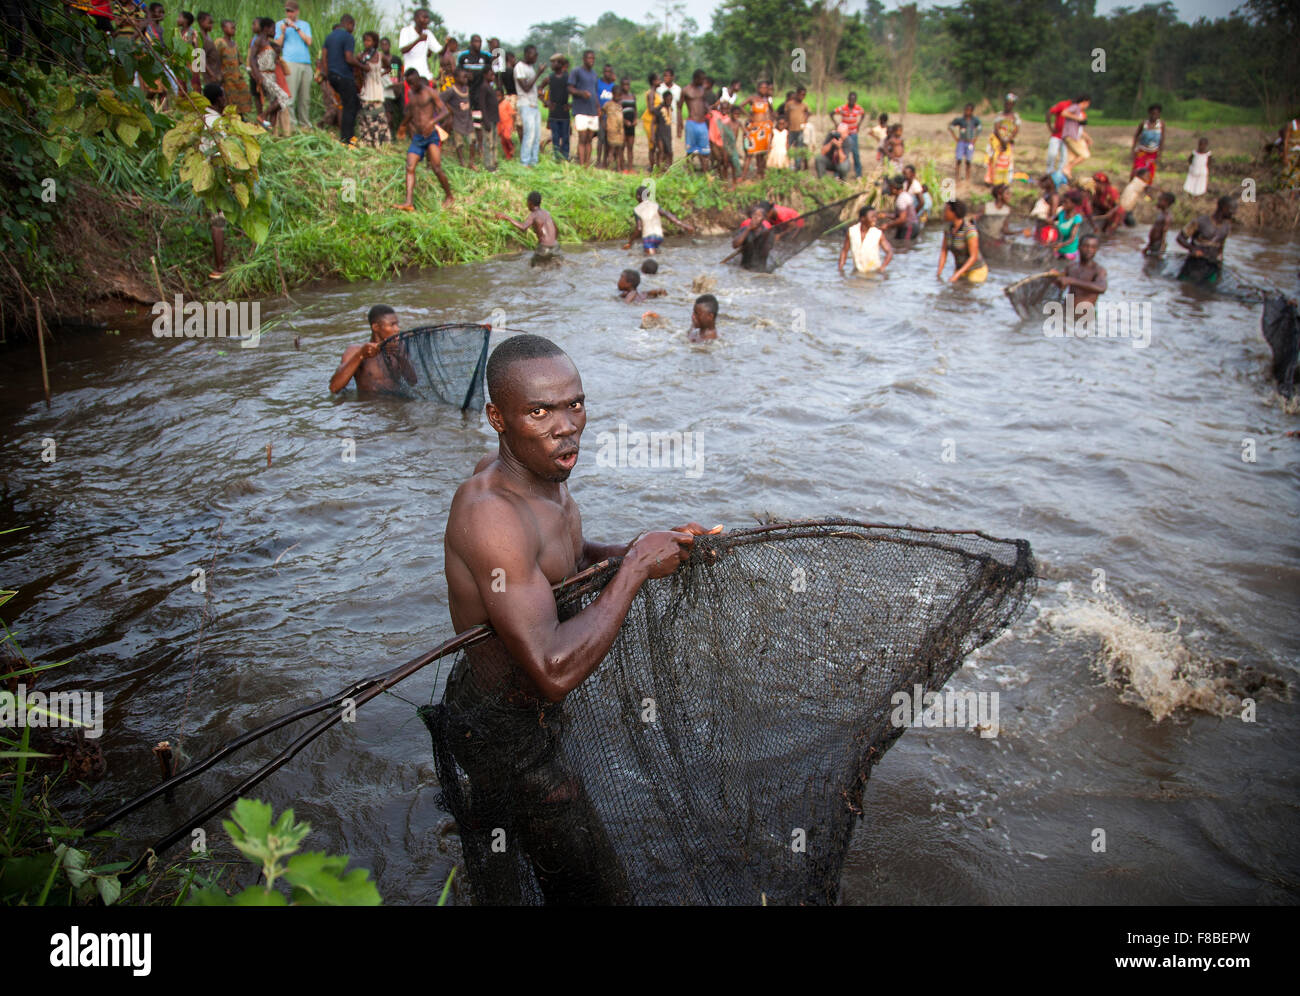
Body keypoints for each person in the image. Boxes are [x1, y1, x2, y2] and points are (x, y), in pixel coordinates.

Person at [441, 334, 707, 905]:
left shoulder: (541, 471)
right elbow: (553, 670)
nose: (566, 426)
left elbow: (566, 559)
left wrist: (635, 549)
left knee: (504, 845)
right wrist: (635, 569)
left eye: (574, 405)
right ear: (497, 418)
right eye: (539, 411)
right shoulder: (492, 516)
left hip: (526, 709)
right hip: (502, 726)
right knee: (594, 889)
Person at [393, 69, 453, 209]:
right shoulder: (410, 94)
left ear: (419, 79)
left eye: (413, 83)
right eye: (409, 84)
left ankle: (449, 196)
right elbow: (411, 112)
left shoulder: (430, 92)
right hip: (418, 137)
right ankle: (409, 202)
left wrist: (432, 122)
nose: (412, 86)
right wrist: (403, 126)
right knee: (410, 167)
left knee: (436, 168)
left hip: (431, 136)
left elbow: (445, 111)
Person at [329, 305, 416, 394]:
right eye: (392, 325)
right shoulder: (355, 350)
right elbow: (334, 387)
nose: (397, 329)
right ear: (376, 327)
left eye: (397, 324)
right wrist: (360, 355)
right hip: (369, 405)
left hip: (395, 403)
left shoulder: (399, 347)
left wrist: (400, 357)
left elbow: (413, 382)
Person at [1176, 195, 1234, 283]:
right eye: (1232, 209)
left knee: (1209, 294)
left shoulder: (1227, 227)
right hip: (1194, 265)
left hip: (1212, 266)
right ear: (1223, 207)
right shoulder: (1200, 221)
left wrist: (1220, 267)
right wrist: (1193, 249)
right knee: (1187, 289)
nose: (1234, 212)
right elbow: (1180, 238)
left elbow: (1221, 247)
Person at [323, 15, 362, 147]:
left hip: (333, 75)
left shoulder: (330, 36)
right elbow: (349, 58)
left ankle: (347, 136)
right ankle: (347, 138)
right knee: (350, 106)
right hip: (345, 76)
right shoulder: (348, 37)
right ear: (349, 23)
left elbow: (324, 57)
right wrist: (362, 66)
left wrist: (328, 74)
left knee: (347, 105)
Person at [1050, 233, 1106, 322]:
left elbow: (1102, 288)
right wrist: (1054, 278)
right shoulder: (1071, 267)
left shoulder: (1098, 270)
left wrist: (1071, 281)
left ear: (1097, 250)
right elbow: (1062, 286)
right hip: (1066, 313)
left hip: (1085, 317)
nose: (1089, 250)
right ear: (1079, 247)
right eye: (1086, 246)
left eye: (1093, 247)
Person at [275, 1, 312, 130]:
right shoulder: (279, 24)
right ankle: (290, 125)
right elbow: (277, 44)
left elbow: (309, 41)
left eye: (291, 11)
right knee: (290, 96)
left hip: (305, 63)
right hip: (290, 61)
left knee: (305, 98)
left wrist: (295, 28)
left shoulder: (304, 25)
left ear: (297, 11)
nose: (289, 14)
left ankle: (305, 125)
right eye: (287, 11)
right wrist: (283, 32)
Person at [626, 184, 692, 255]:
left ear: (638, 196)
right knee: (654, 255)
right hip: (659, 236)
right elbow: (669, 216)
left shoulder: (637, 209)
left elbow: (639, 228)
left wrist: (630, 242)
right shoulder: (655, 206)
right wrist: (685, 226)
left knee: (650, 258)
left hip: (648, 237)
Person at [496, 191, 560, 265]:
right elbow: (556, 229)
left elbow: (523, 227)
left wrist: (506, 217)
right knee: (554, 264)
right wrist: (552, 241)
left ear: (530, 203)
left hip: (544, 247)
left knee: (535, 266)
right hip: (555, 246)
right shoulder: (546, 213)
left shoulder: (534, 215)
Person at [253, 18, 293, 135]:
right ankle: (262, 116)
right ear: (266, 28)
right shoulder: (259, 40)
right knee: (283, 97)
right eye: (273, 29)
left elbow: (278, 48)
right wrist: (257, 74)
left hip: (272, 74)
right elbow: (252, 59)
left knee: (275, 104)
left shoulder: (268, 42)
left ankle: (272, 133)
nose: (275, 32)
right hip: (264, 74)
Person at [936, 199, 987, 284]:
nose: (944, 213)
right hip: (960, 269)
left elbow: (973, 257)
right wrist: (939, 273)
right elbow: (944, 251)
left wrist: (956, 275)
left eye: (946, 210)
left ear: (954, 213)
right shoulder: (948, 229)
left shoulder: (970, 230)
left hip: (976, 270)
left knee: (968, 285)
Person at [356, 32, 391, 148]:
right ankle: (369, 141)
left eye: (369, 40)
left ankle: (382, 142)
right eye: (365, 40)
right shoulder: (361, 56)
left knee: (380, 115)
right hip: (367, 88)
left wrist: (384, 75)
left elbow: (392, 68)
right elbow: (357, 72)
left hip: (378, 88)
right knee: (367, 115)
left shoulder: (383, 56)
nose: (366, 43)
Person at [735, 80, 775, 178]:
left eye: (766, 88)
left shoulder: (767, 100)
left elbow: (772, 111)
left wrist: (770, 123)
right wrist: (749, 115)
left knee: (762, 154)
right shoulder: (752, 98)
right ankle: (743, 176)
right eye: (762, 88)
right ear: (758, 88)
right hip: (755, 128)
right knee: (750, 153)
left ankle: (761, 173)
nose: (764, 90)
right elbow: (740, 106)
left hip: (764, 128)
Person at [839, 205, 894, 275]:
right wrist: (840, 270)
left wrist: (882, 268)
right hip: (857, 271)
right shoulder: (852, 232)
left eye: (875, 217)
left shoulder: (877, 234)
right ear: (863, 219)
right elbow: (844, 251)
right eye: (872, 217)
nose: (875, 219)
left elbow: (889, 252)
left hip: (873, 272)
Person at [213, 18, 251, 117]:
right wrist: (218, 74)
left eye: (234, 28)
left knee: (243, 94)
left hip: (236, 76)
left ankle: (240, 116)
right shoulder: (220, 42)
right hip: (226, 76)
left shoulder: (234, 44)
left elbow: (239, 61)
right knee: (229, 98)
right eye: (231, 27)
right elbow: (215, 59)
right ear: (224, 28)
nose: (234, 29)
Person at [569, 49, 600, 167]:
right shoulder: (576, 71)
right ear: (584, 59)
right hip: (581, 110)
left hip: (592, 110)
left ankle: (587, 164)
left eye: (593, 58)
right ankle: (582, 164)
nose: (591, 61)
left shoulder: (594, 74)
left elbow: (595, 92)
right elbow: (570, 88)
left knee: (590, 138)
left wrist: (598, 107)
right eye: (589, 58)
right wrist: (581, 93)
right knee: (582, 138)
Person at [513, 45, 542, 166]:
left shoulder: (530, 68)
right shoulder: (519, 67)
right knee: (529, 135)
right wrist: (539, 74)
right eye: (533, 54)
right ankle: (525, 162)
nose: (536, 57)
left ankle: (533, 161)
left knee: (536, 136)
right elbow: (525, 87)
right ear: (527, 54)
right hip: (525, 104)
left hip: (534, 105)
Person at [985, 93, 1020, 186]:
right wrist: (1002, 140)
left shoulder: (1015, 117)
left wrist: (1008, 140)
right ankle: (992, 180)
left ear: (1013, 105)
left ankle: (1005, 181)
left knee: (1007, 160)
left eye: (1010, 104)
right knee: (994, 158)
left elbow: (1016, 130)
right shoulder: (1000, 115)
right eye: (1007, 103)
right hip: (997, 140)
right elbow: (996, 129)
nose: (1008, 105)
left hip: (1008, 141)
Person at [682, 70, 712, 171]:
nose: (703, 81)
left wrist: (708, 110)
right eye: (702, 79)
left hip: (702, 124)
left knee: (705, 152)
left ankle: (706, 175)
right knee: (691, 152)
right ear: (696, 79)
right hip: (691, 123)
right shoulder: (686, 90)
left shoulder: (702, 90)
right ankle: (689, 173)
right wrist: (679, 125)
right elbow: (679, 107)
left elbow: (704, 102)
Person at [830, 91, 864, 178]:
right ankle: (838, 173)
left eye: (854, 99)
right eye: (851, 99)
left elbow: (863, 114)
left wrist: (859, 125)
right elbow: (832, 113)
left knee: (855, 154)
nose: (852, 101)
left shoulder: (858, 108)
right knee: (841, 152)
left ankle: (858, 174)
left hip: (853, 134)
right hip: (844, 135)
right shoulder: (843, 108)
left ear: (856, 100)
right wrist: (836, 124)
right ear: (848, 99)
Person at [544, 54, 571, 162]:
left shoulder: (567, 78)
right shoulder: (550, 78)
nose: (553, 64)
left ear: (560, 64)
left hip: (564, 113)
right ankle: (556, 157)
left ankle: (565, 157)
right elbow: (539, 89)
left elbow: (575, 90)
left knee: (565, 137)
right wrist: (546, 102)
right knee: (555, 137)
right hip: (554, 113)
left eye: (555, 62)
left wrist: (571, 104)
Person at [398, 8, 436, 82]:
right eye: (424, 17)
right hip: (410, 76)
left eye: (427, 18)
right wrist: (418, 40)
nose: (427, 20)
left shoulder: (427, 34)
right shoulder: (406, 31)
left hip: (424, 75)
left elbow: (427, 55)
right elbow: (403, 50)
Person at [1131, 104, 1164, 182]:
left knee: (1149, 173)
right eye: (1152, 113)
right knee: (1137, 170)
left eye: (1156, 114)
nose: (1154, 116)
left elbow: (1162, 139)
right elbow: (1136, 136)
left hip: (1153, 153)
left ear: (1159, 114)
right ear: (1149, 113)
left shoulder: (1161, 125)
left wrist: (1160, 153)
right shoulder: (1144, 124)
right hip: (1142, 151)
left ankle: (1145, 189)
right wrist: (1133, 149)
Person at [948, 103, 980, 182]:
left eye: (969, 110)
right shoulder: (960, 120)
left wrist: (974, 139)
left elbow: (979, 129)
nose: (967, 112)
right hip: (961, 142)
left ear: (972, 111)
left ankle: (967, 178)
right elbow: (950, 127)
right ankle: (957, 177)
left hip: (970, 143)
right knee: (959, 159)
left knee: (968, 161)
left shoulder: (975, 120)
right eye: (966, 110)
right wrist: (956, 138)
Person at [1061, 95, 1091, 176]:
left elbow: (1080, 129)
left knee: (1071, 158)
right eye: (1088, 103)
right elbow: (1064, 113)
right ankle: (1067, 168)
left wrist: (1087, 138)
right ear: (1085, 102)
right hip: (1071, 135)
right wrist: (1077, 118)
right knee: (1085, 154)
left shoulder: (1080, 112)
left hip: (1073, 135)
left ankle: (1066, 176)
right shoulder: (1076, 107)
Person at [477, 66, 501, 170]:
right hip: (488, 120)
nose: (493, 76)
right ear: (485, 75)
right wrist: (485, 120)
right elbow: (482, 105)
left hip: (494, 119)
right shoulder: (483, 87)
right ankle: (488, 164)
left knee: (494, 142)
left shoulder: (490, 86)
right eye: (491, 74)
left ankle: (494, 162)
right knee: (488, 143)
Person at [883, 176, 920, 240]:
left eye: (890, 187)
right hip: (911, 226)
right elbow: (900, 215)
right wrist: (886, 215)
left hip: (909, 227)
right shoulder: (904, 195)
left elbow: (902, 219)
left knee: (904, 246)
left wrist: (887, 225)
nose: (889, 189)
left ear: (894, 188)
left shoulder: (901, 198)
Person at [1054, 190, 1087, 261]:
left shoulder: (1077, 219)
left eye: (1066, 203)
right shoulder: (1061, 213)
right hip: (1059, 247)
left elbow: (1072, 238)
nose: (1063, 204)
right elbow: (1052, 220)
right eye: (1063, 202)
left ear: (1074, 204)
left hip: (1070, 250)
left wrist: (1061, 245)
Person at [380, 37, 404, 138]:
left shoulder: (395, 60)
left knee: (404, 110)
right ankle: (391, 135)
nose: (384, 46)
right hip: (386, 89)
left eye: (386, 44)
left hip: (397, 88)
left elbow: (399, 73)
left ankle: (402, 132)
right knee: (388, 114)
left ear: (389, 46)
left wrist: (400, 84)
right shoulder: (380, 59)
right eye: (382, 44)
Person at [784, 87, 810, 170]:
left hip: (800, 131)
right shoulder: (790, 104)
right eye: (801, 94)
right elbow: (786, 115)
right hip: (790, 130)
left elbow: (808, 113)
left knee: (799, 150)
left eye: (804, 95)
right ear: (797, 94)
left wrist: (805, 121)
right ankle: (786, 165)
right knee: (787, 148)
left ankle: (797, 167)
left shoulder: (804, 105)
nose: (802, 96)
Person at [601, 82, 625, 169]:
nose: (618, 97)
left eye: (619, 95)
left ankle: (618, 167)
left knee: (619, 150)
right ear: (613, 94)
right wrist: (603, 124)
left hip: (620, 130)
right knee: (611, 149)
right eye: (616, 95)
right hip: (611, 129)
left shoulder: (621, 105)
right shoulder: (608, 104)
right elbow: (602, 113)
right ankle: (610, 166)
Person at [1145, 191, 1176, 255]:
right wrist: (1148, 245)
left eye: (1160, 200)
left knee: (1154, 262)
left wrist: (1161, 252)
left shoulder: (1167, 217)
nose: (1158, 202)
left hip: (1158, 246)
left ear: (1166, 202)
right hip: (1153, 244)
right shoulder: (1161, 214)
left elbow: (1164, 235)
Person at [1045, 97, 1071, 175]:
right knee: (1052, 154)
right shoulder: (1063, 104)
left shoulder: (1078, 109)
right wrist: (1050, 128)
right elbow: (1049, 112)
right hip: (1056, 135)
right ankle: (1049, 172)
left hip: (1067, 137)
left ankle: (1060, 174)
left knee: (1064, 158)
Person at [619, 78, 638, 171]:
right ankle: (622, 168)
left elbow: (635, 109)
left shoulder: (632, 96)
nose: (626, 86)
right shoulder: (619, 97)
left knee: (630, 147)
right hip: (623, 125)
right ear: (621, 85)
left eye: (628, 84)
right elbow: (618, 111)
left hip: (631, 124)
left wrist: (635, 119)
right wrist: (624, 121)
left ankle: (630, 167)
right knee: (622, 147)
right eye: (624, 84)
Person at [653, 91, 675, 167]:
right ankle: (659, 169)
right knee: (661, 151)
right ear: (664, 99)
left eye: (671, 99)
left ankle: (668, 168)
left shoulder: (670, 108)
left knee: (669, 152)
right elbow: (653, 122)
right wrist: (653, 136)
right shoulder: (659, 108)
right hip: (660, 133)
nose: (670, 101)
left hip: (668, 133)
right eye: (668, 99)